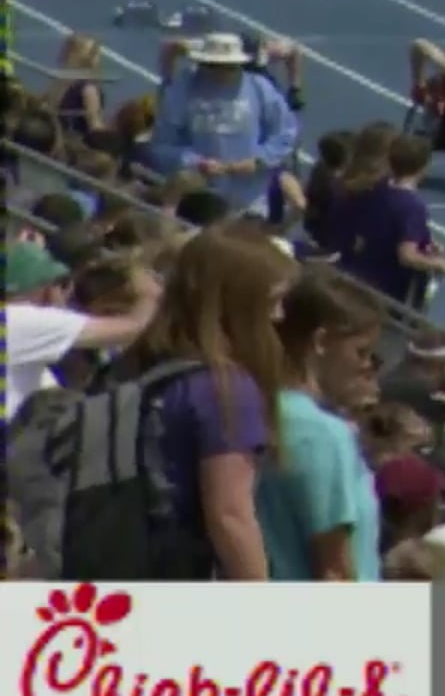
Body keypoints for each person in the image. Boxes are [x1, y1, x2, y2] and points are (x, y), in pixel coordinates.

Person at [122, 221, 299, 581]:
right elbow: (230, 516)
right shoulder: (227, 389)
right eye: (273, 302)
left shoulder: (138, 362)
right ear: (239, 304)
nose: (279, 316)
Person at [255, 270, 384, 581]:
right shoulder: (323, 434)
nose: (367, 367)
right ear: (322, 341)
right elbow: (335, 571)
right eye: (361, 352)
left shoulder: (257, 406)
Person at [146, 32, 300, 218]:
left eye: (229, 67)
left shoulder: (259, 88)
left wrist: (258, 160)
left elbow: (285, 132)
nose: (221, 72)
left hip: (250, 198)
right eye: (214, 65)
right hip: (200, 196)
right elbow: (162, 144)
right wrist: (196, 162)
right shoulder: (183, 89)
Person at [4, 240, 160, 422]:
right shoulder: (21, 319)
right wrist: (149, 292)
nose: (66, 293)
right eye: (60, 284)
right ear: (42, 289)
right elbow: (135, 327)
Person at [337, 134, 445, 305]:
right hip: (390, 285)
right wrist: (438, 264)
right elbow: (407, 256)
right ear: (423, 167)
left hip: (364, 266)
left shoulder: (378, 186)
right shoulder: (412, 206)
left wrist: (424, 239)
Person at [159, 29, 306, 111]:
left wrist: (295, 89)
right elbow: (170, 46)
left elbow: (294, 50)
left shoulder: (266, 51)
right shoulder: (206, 47)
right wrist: (167, 82)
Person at [48, 33, 109, 141]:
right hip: (71, 143)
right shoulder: (87, 89)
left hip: (61, 139)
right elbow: (95, 128)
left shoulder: (62, 81)